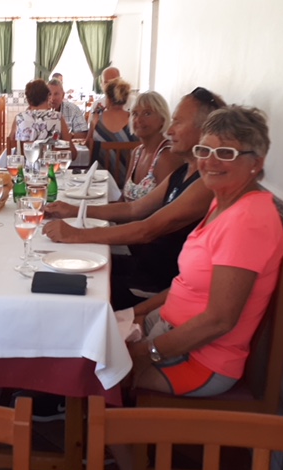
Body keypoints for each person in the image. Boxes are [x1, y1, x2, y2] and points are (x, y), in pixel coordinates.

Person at [112, 105, 283, 470]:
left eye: (226, 152)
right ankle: (121, 448)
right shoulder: (224, 203)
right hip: (172, 332)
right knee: (95, 339)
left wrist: (145, 353)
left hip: (202, 361)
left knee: (97, 371)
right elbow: (186, 284)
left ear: (256, 162)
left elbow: (219, 321)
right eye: (205, 150)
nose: (210, 161)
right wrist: (141, 312)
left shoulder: (247, 220)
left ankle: (130, 467)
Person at [44, 87, 226, 309]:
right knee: (57, 265)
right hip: (142, 266)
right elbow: (133, 209)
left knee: (66, 293)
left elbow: (146, 229)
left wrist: (76, 234)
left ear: (205, 130)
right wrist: (72, 209)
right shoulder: (183, 172)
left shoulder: (204, 185)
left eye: (177, 122)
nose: (170, 131)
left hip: (152, 287)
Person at [122, 91, 183, 201]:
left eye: (147, 113)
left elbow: (164, 205)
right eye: (135, 114)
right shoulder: (137, 152)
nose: (138, 119)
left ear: (163, 119)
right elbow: (123, 198)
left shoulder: (167, 155)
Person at [86, 77, 137, 186]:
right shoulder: (134, 122)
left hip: (100, 183)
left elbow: (88, 146)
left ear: (108, 99)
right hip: (127, 183)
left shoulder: (97, 120)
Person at [9, 79, 77, 159]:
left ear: (28, 100)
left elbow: (10, 147)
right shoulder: (58, 117)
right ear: (48, 96)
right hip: (51, 166)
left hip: (26, 166)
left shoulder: (19, 118)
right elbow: (73, 154)